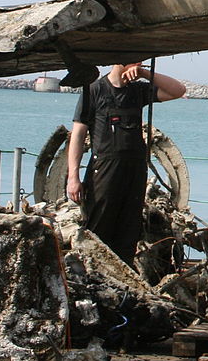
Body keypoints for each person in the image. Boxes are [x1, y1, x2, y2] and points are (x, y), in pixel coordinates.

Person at [66, 63, 186, 263]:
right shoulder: (95, 90)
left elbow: (178, 91)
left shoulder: (137, 90)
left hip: (135, 169)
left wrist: (144, 73)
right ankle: (93, 276)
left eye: (140, 61)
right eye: (133, 61)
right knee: (98, 227)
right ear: (117, 62)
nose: (137, 63)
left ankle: (125, 280)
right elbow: (78, 136)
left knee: (129, 230)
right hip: (104, 168)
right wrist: (73, 177)